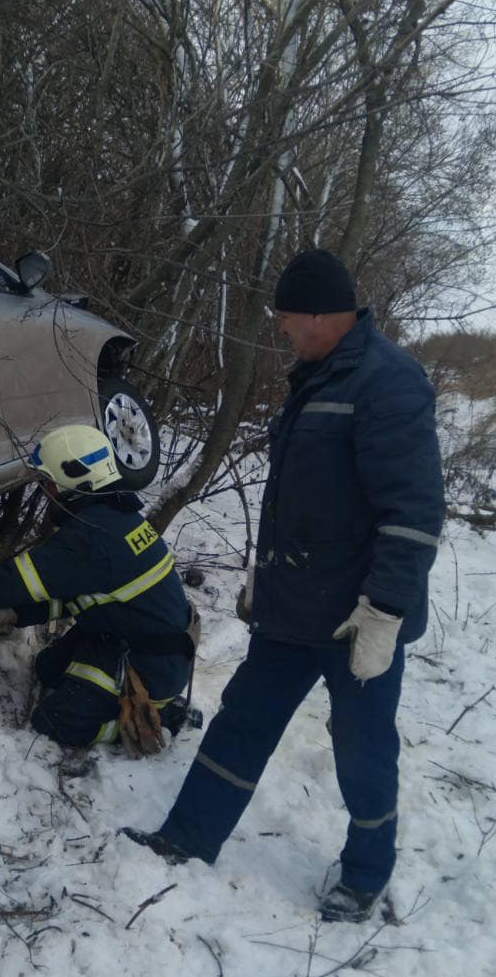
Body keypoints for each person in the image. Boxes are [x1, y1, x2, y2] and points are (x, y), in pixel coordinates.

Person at [122, 248, 444, 923]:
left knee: (362, 749)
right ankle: (187, 837)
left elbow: (411, 514)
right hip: (293, 609)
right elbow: (304, 503)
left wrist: (384, 610)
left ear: (324, 316)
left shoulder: (388, 382)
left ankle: (364, 876)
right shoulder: (321, 375)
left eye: (288, 318)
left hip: (357, 618)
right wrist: (262, 583)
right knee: (242, 723)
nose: (282, 331)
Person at [0, 424, 194, 757]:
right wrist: (13, 614)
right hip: (126, 637)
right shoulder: (116, 518)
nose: (47, 493)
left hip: (148, 664)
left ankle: (163, 714)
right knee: (47, 670)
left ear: (77, 479)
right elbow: (76, 597)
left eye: (49, 483)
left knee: (55, 723)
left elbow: (16, 580)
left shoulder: (91, 537)